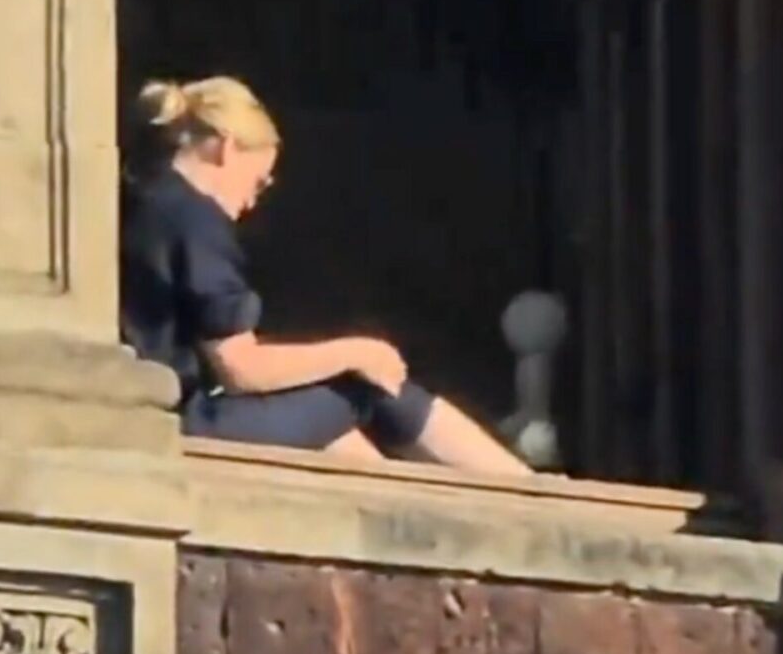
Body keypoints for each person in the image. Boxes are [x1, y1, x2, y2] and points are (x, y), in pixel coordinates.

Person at [119, 76, 533, 478]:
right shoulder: (196, 221)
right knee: (369, 384)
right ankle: (527, 490)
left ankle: (394, 501)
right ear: (226, 148)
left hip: (163, 415)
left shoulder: (146, 201)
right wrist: (356, 352)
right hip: (193, 421)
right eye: (259, 183)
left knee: (330, 417)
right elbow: (241, 368)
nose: (251, 202)